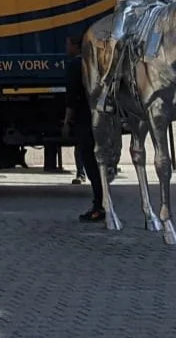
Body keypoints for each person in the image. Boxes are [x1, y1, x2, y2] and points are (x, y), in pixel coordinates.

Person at [62, 30, 106, 222]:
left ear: (75, 46)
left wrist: (66, 122)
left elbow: (71, 97)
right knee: (100, 164)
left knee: (90, 162)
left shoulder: (75, 66)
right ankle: (104, 203)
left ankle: (99, 206)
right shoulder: (96, 64)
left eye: (68, 44)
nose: (66, 48)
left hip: (83, 120)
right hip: (99, 119)